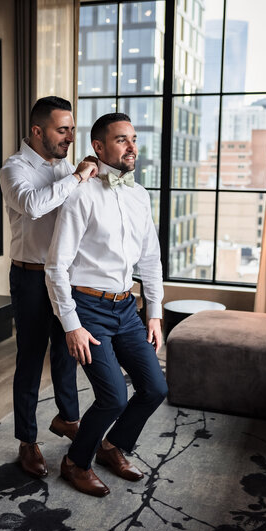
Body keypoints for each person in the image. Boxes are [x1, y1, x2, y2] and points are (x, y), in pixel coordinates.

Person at [44, 112, 168, 497]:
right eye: (121, 140)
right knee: (113, 395)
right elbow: (56, 265)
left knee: (154, 388)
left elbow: (150, 259)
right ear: (98, 147)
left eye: (133, 139)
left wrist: (154, 313)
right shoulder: (80, 194)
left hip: (126, 309)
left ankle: (112, 446)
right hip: (88, 310)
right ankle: (75, 462)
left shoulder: (139, 194)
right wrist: (71, 324)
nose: (132, 147)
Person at [0, 96, 98, 478]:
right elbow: (34, 205)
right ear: (38, 131)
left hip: (65, 276)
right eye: (62, 130)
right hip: (30, 277)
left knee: (65, 352)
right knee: (30, 358)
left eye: (72, 129)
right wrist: (76, 179)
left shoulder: (68, 166)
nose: (71, 136)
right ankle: (27, 439)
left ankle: (68, 418)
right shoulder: (14, 169)